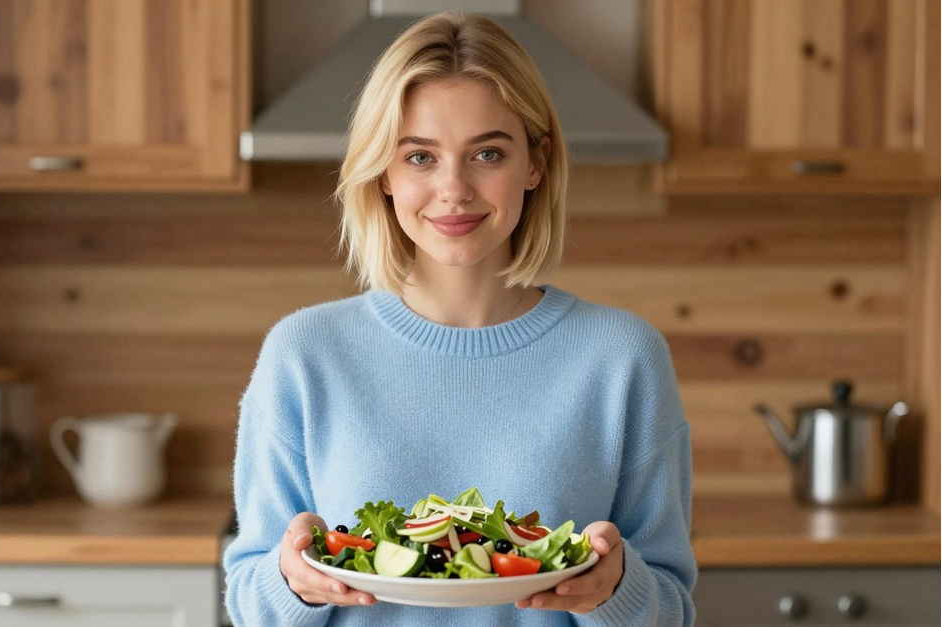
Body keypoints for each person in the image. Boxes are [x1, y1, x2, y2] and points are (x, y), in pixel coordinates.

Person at [224, 11, 696, 627]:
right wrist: (293, 581)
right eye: (420, 156)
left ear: (535, 164)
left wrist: (618, 587)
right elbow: (249, 601)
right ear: (383, 173)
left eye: (487, 153)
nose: (454, 189)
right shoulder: (304, 353)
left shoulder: (623, 356)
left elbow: (672, 608)